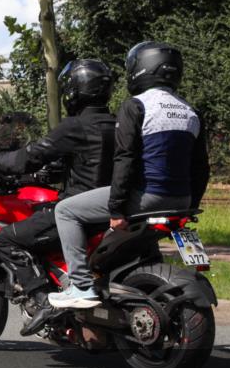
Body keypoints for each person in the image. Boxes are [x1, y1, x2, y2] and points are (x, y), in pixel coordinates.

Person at [50, 41, 210, 309]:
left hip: (145, 198)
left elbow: (125, 159)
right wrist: (190, 203)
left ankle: (80, 286)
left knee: (65, 210)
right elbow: (201, 167)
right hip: (181, 201)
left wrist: (117, 210)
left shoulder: (136, 106)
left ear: (140, 69)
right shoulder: (190, 111)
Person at [0, 59, 117, 335]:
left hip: (79, 213)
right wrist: (41, 175)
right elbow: (83, 163)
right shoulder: (116, 124)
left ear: (73, 91)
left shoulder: (75, 126)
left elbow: (32, 156)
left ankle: (43, 299)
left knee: (6, 239)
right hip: (111, 210)